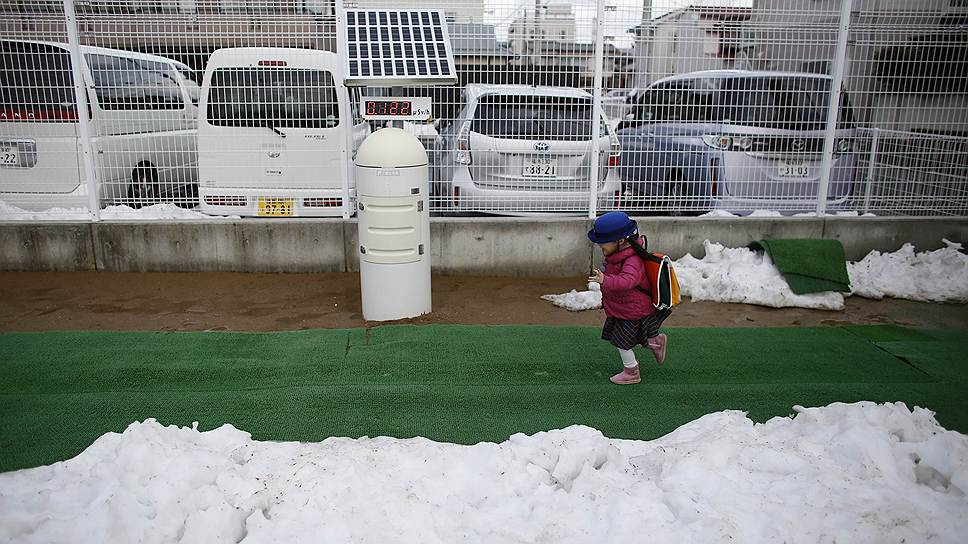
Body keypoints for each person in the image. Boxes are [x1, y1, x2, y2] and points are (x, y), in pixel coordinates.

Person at [587, 211, 672, 385]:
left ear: (621, 240)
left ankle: (632, 372)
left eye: (603, 242)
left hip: (632, 309)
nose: (600, 246)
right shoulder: (617, 255)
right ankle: (656, 342)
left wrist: (605, 280)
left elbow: (628, 281)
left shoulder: (632, 260)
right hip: (624, 307)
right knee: (634, 336)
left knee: (622, 342)